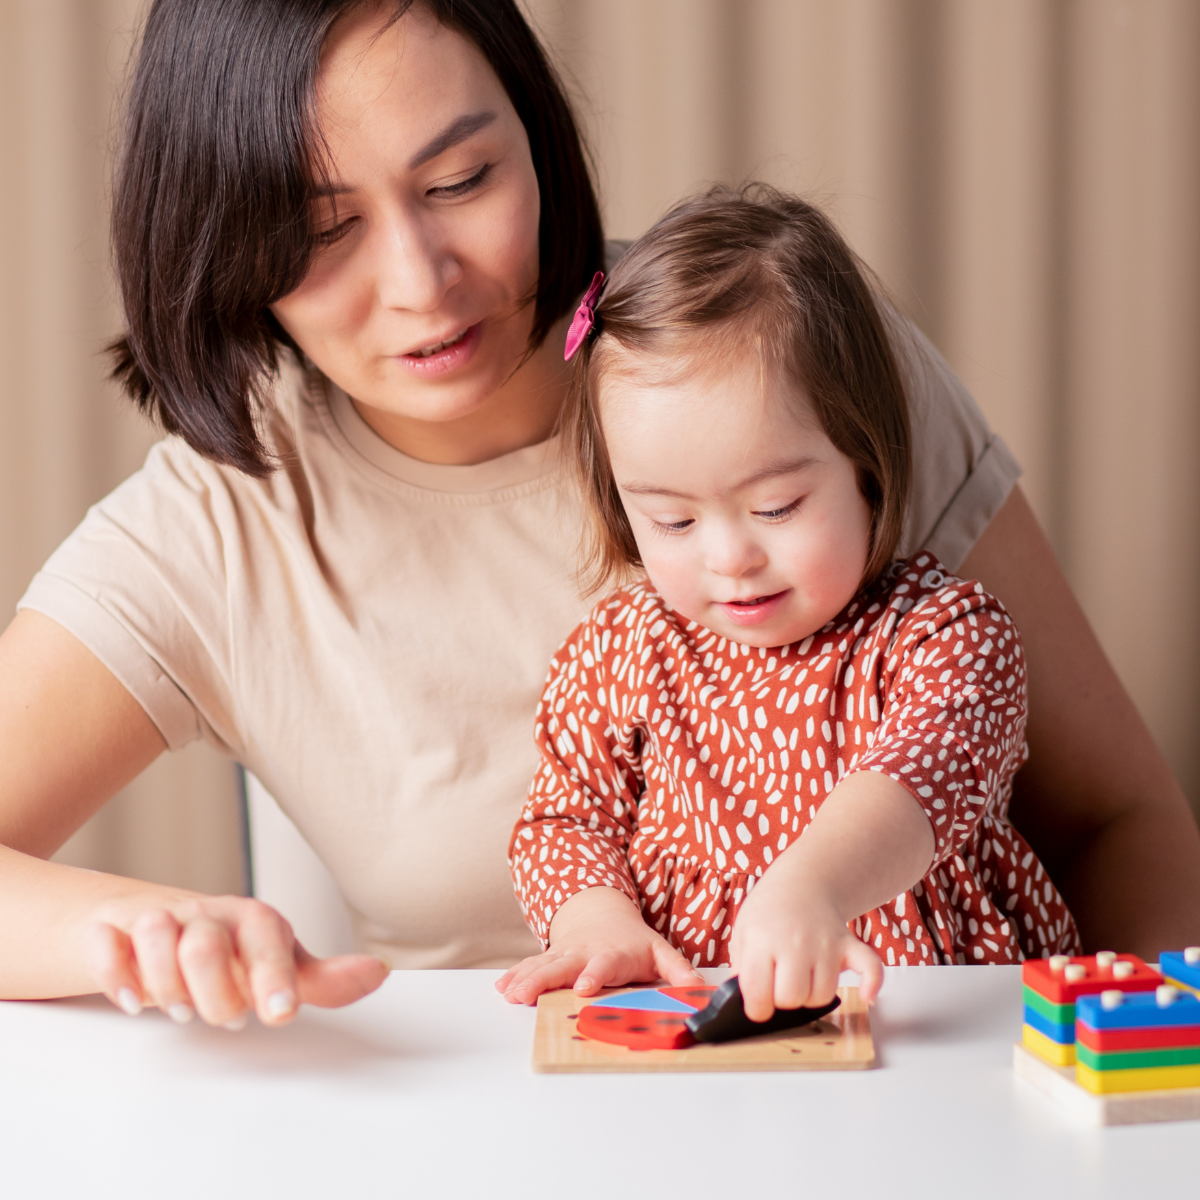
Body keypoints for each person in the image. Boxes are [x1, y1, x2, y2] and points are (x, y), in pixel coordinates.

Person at [0, 0, 1196, 1030]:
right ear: (219, 241)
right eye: (323, 232)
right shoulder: (215, 529)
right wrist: (140, 925)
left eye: (463, 180)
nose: (423, 282)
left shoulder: (781, 360)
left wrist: (1113, 1100)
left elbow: (1119, 820)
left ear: (540, 139)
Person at [499, 188, 1079, 1017]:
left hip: (931, 1018)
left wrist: (811, 886)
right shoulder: (620, 652)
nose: (731, 556)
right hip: (700, 1026)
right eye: (673, 519)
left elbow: (922, 774)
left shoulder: (946, 636)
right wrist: (594, 922)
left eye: (776, 507)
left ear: (865, 468)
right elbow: (564, 817)